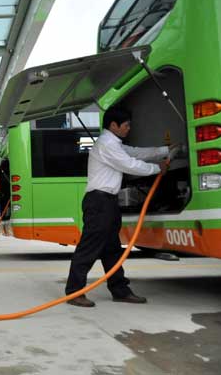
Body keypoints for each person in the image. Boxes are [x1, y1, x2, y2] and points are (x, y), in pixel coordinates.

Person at [65, 107, 170, 308]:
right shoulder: (106, 144)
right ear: (113, 125)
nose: (129, 129)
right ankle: (74, 291)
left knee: (112, 249)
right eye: (126, 125)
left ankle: (120, 290)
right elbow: (129, 164)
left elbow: (136, 153)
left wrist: (166, 150)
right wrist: (157, 168)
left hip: (108, 202)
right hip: (99, 202)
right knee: (89, 247)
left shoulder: (115, 144)